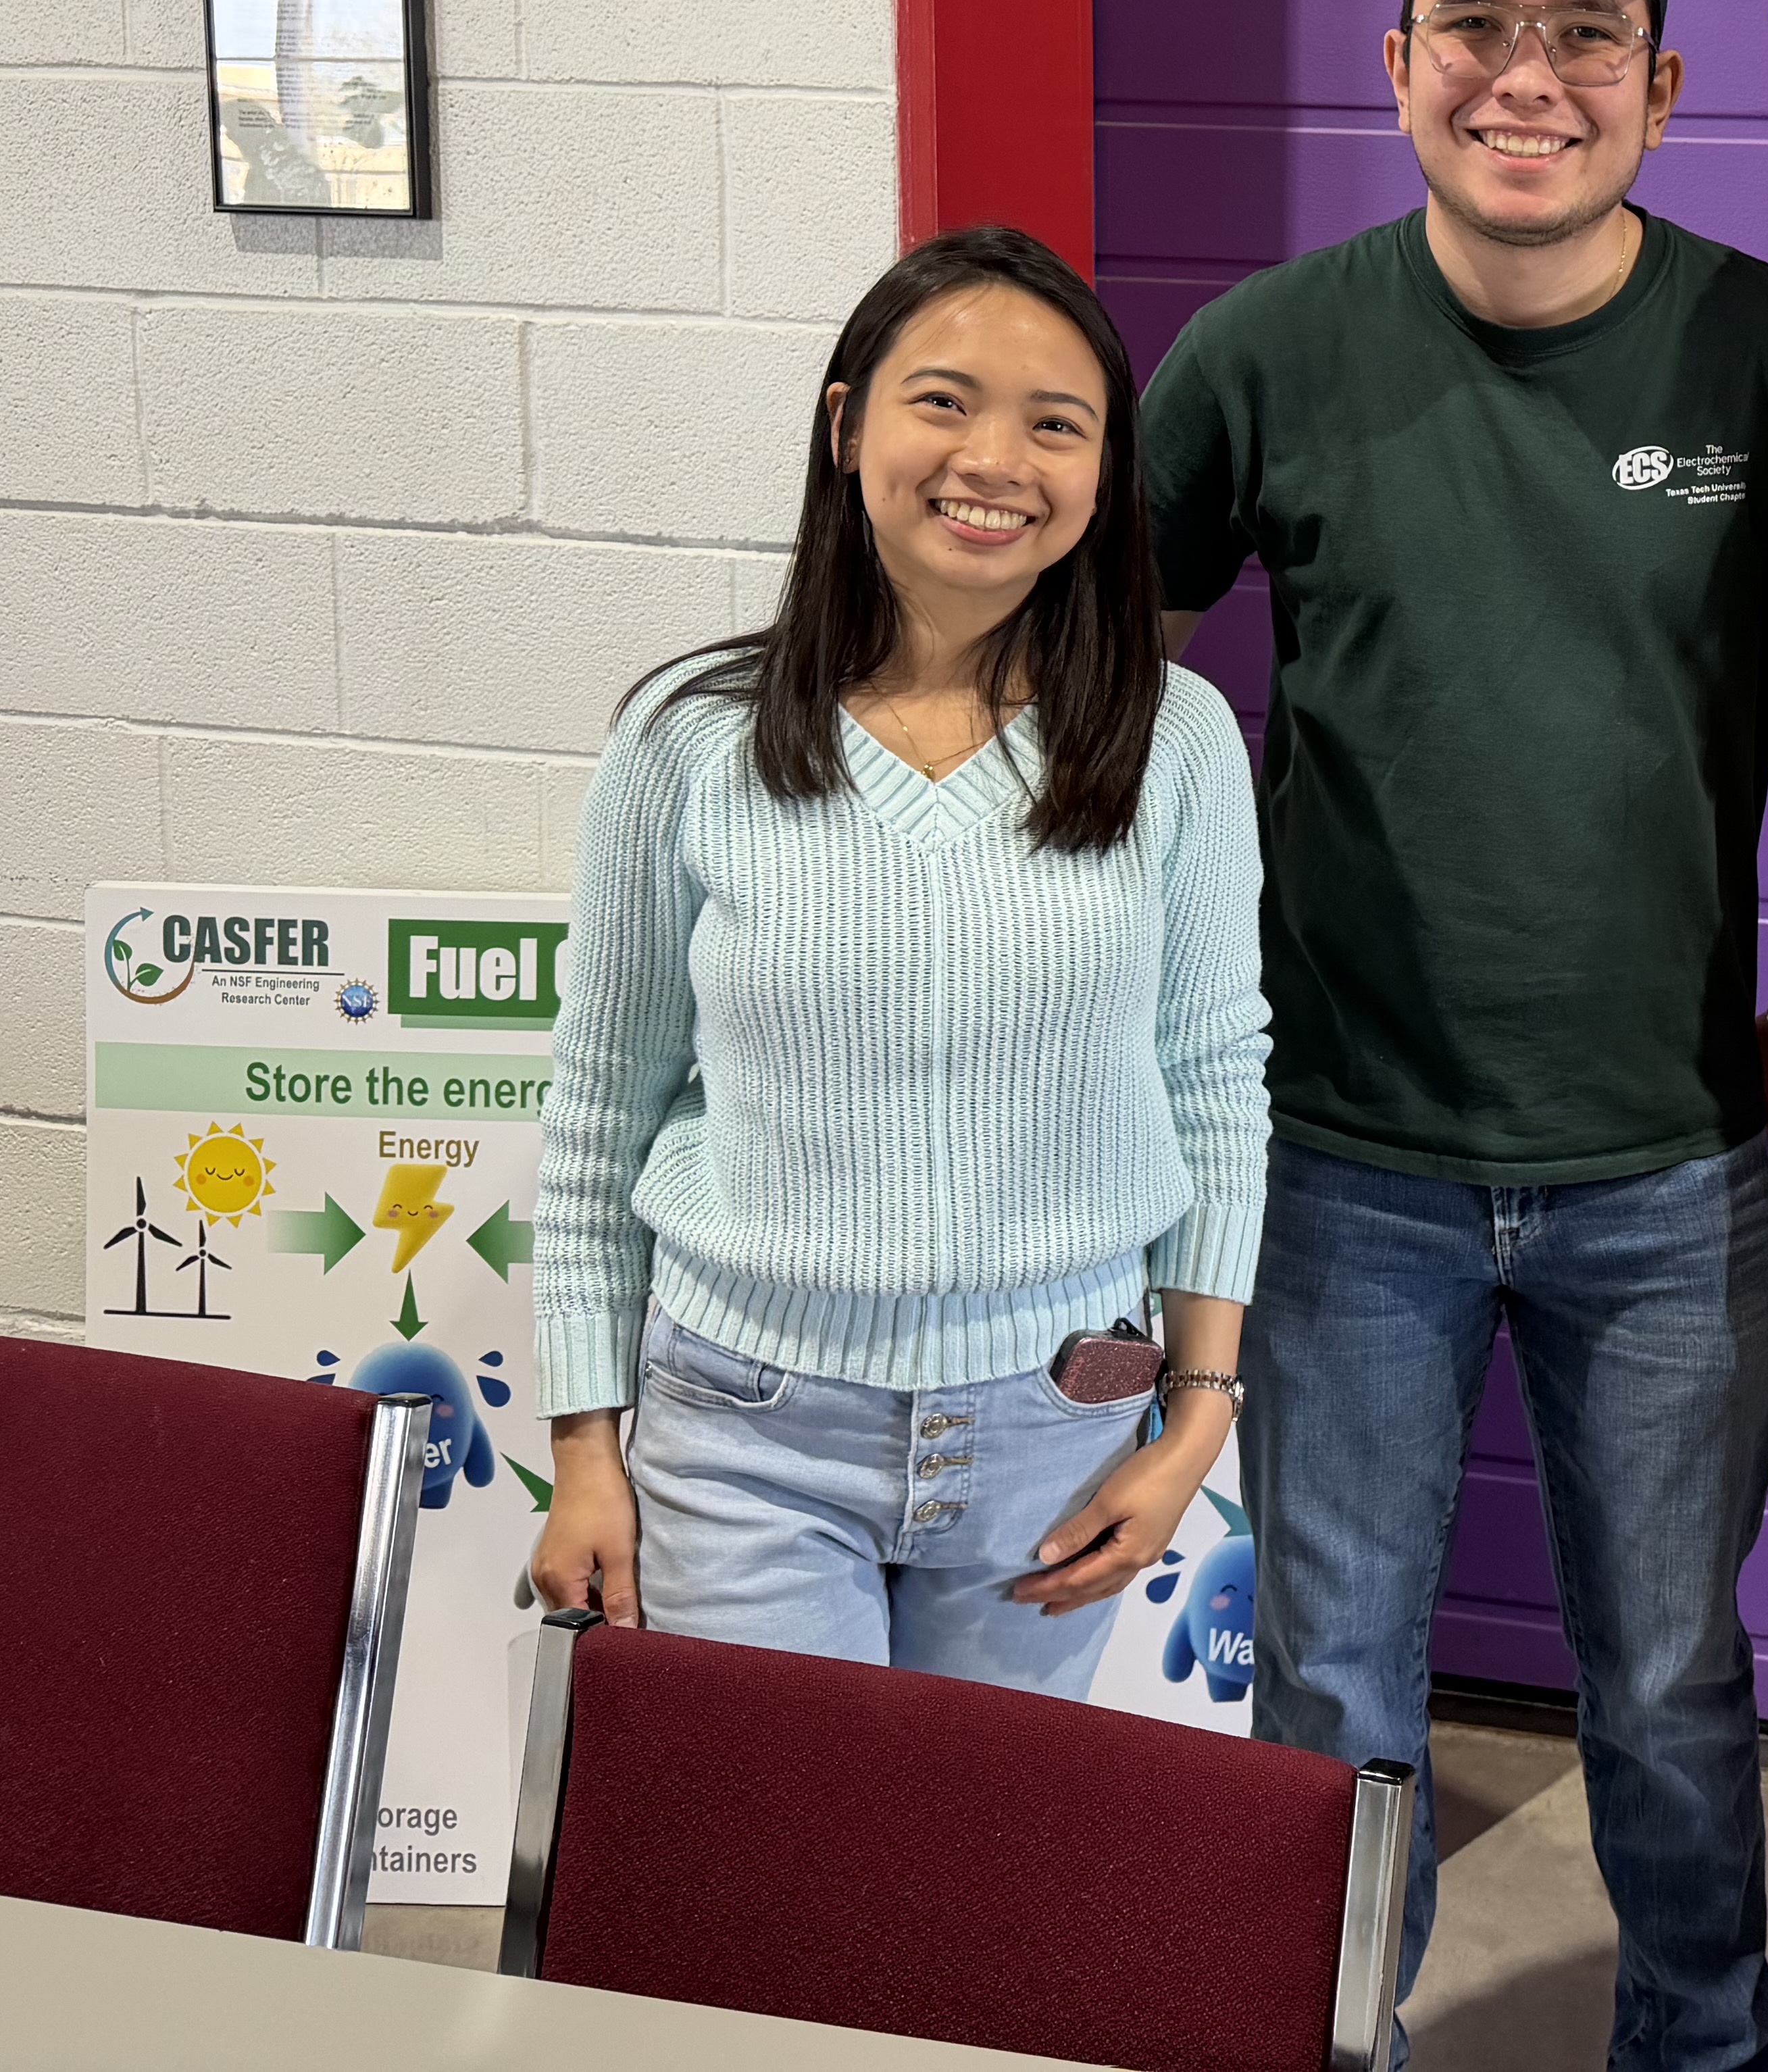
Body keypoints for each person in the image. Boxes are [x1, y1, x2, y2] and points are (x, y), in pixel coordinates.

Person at [1144, 0, 1768, 2071]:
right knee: (1336, 1678)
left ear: (1661, 84)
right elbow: (1109, 723)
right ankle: (1317, 2037)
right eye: (1476, 25)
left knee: (1666, 1679)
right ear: (1398, 67)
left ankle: (1702, 2046)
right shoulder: (1267, 354)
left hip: (1661, 1174)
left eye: (1585, 33)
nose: (1525, 76)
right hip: (1338, 1162)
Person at [529, 226, 1271, 1691]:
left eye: (1056, 424)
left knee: (973, 1878)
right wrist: (582, 1447)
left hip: (1056, 1420)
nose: (995, 458)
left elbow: (1212, 1085)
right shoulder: (690, 735)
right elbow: (600, 1105)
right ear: (846, 420)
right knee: (779, 1879)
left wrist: (1196, 1419)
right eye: (944, 400)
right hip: (741, 1428)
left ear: (1105, 469)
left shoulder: (1175, 743)